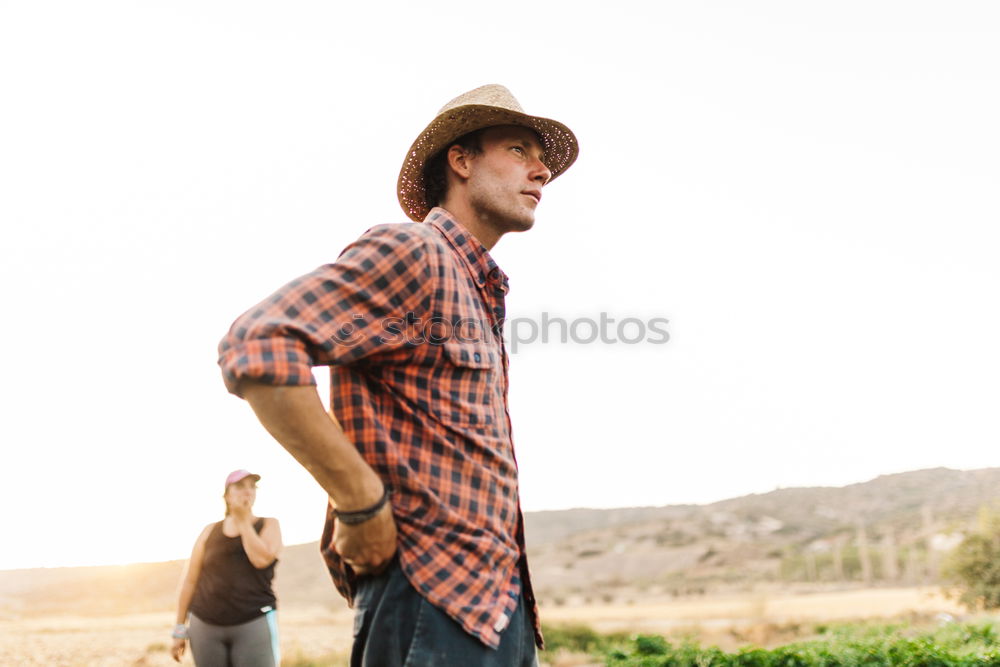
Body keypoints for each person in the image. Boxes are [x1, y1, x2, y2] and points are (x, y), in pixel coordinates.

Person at [217, 84, 578, 666]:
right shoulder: (415, 251)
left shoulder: (478, 288)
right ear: (460, 160)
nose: (542, 171)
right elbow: (258, 343)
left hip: (496, 603)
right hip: (434, 601)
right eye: (519, 150)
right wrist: (359, 503)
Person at [171, 469, 283, 666]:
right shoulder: (209, 531)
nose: (247, 491)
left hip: (253, 619)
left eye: (252, 487)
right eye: (239, 486)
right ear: (227, 495)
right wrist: (179, 629)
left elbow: (261, 560)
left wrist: (242, 521)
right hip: (205, 623)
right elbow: (190, 581)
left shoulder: (269, 524)